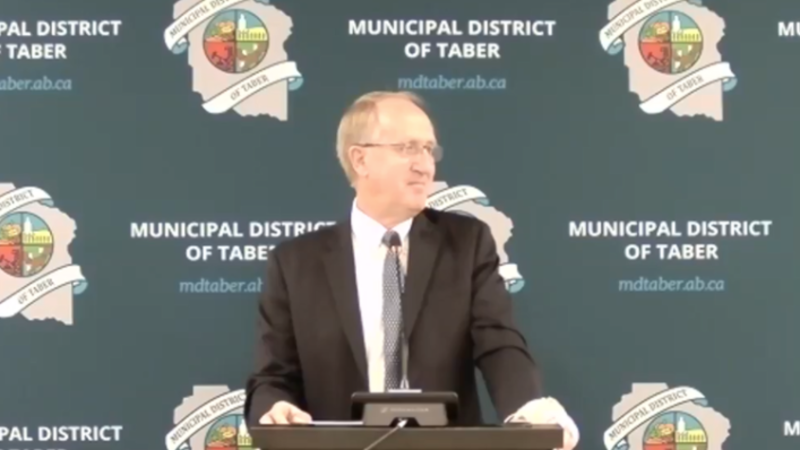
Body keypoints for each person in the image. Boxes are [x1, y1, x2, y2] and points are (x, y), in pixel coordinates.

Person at [243, 90, 579, 450]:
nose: (425, 165)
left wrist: (527, 407)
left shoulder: (467, 243)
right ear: (360, 159)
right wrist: (275, 409)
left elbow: (499, 343)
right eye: (407, 148)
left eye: (429, 149)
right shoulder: (295, 262)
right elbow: (273, 377)